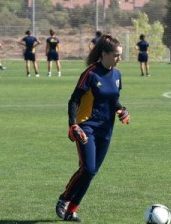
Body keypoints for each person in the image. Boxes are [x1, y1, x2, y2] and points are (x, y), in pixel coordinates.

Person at [55, 34, 130, 222]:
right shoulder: (90, 73)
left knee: (92, 172)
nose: (119, 59)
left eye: (120, 55)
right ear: (104, 54)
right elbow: (74, 99)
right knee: (87, 169)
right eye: (116, 55)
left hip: (106, 131)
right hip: (86, 127)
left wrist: (121, 109)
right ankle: (64, 199)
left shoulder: (117, 75)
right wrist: (73, 124)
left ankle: (72, 211)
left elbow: (113, 100)